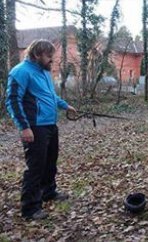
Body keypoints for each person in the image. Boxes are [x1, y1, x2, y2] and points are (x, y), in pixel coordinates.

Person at [5, 39, 77, 220]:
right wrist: (24, 127)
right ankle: (30, 208)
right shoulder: (20, 72)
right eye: (48, 56)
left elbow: (50, 96)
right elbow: (13, 100)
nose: (52, 59)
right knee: (35, 167)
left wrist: (65, 105)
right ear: (37, 55)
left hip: (50, 124)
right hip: (34, 127)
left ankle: (48, 192)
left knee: (50, 162)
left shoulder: (44, 72)